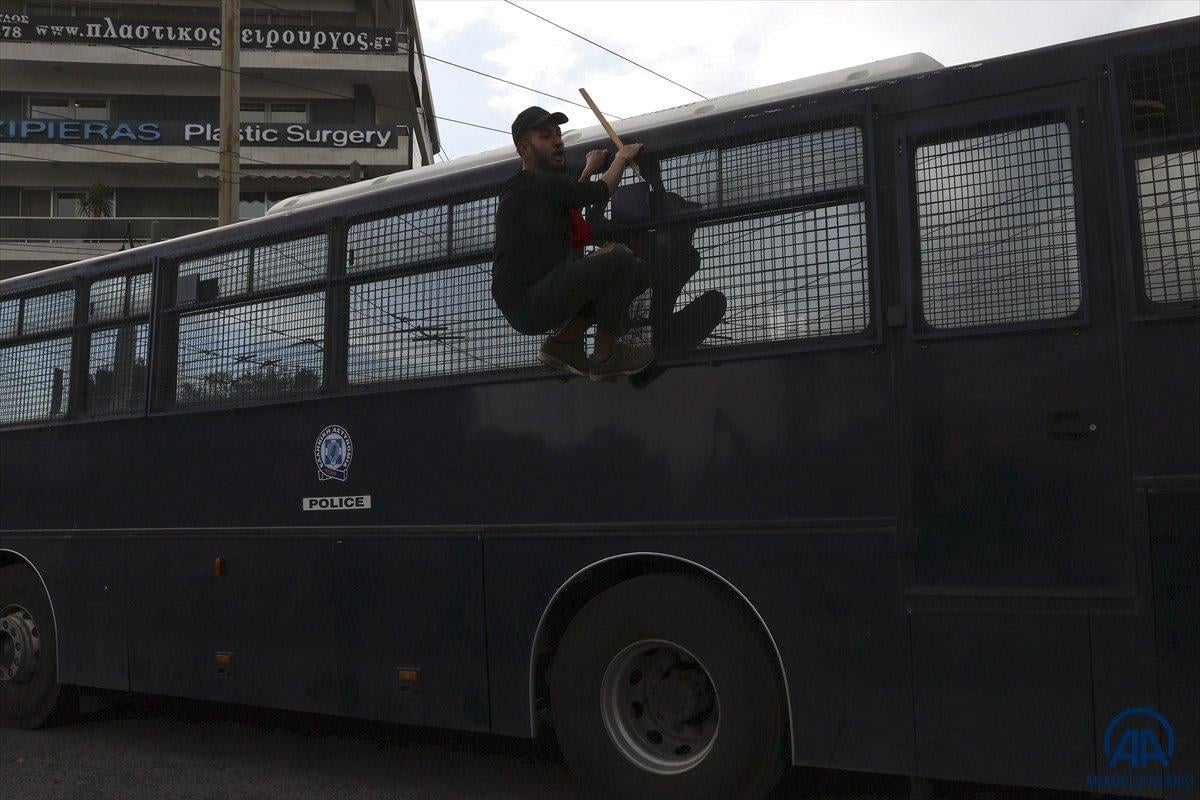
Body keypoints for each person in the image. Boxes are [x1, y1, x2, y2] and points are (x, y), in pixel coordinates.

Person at [492, 106, 654, 381]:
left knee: (637, 275)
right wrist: (621, 158)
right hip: (527, 301)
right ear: (524, 149)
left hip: (540, 296)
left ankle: (563, 344)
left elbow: (569, 207)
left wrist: (589, 168)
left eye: (558, 134)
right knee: (620, 258)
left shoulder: (542, 189)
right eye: (546, 136)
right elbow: (598, 192)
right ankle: (606, 356)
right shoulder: (530, 183)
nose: (558, 141)